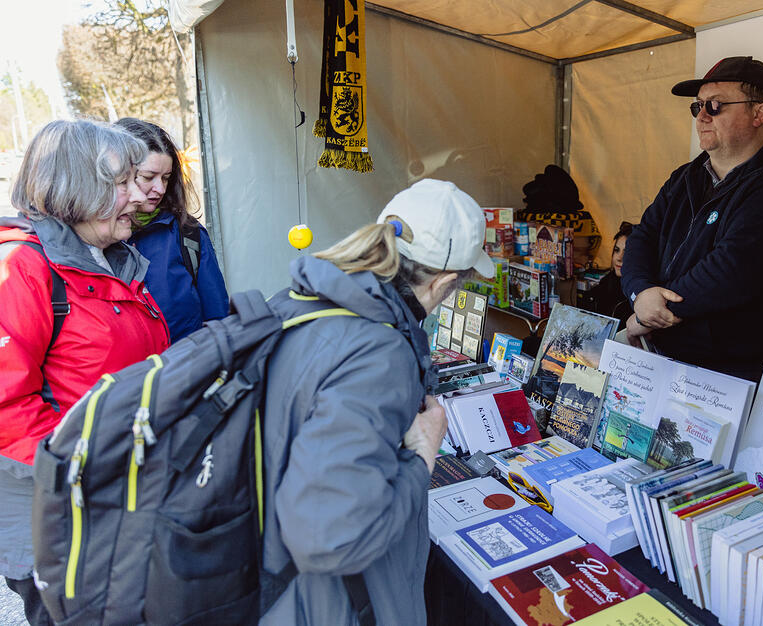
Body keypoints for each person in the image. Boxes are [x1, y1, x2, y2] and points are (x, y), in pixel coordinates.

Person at [260, 179, 494, 625]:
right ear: (445, 283)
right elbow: (329, 536)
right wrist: (423, 454)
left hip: (271, 575)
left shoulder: (306, 297)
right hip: (322, 605)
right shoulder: (379, 355)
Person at [0, 120, 170, 625]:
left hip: (118, 494)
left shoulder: (110, 259)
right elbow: (7, 406)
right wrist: (83, 468)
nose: (138, 196)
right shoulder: (22, 271)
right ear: (80, 188)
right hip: (59, 513)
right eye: (122, 184)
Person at [620, 56, 763, 381]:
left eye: (714, 106)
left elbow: (731, 270)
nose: (701, 117)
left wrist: (649, 316)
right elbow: (643, 236)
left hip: (733, 373)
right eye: (697, 106)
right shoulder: (686, 176)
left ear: (759, 113)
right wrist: (640, 294)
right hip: (665, 357)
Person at [115, 117, 228, 343]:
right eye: (148, 177)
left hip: (185, 372)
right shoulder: (94, 240)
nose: (159, 188)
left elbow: (220, 321)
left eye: (166, 178)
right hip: (123, 376)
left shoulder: (189, 234)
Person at [584, 221, 634, 328]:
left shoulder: (639, 294)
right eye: (616, 250)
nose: (619, 258)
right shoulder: (605, 283)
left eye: (627, 252)